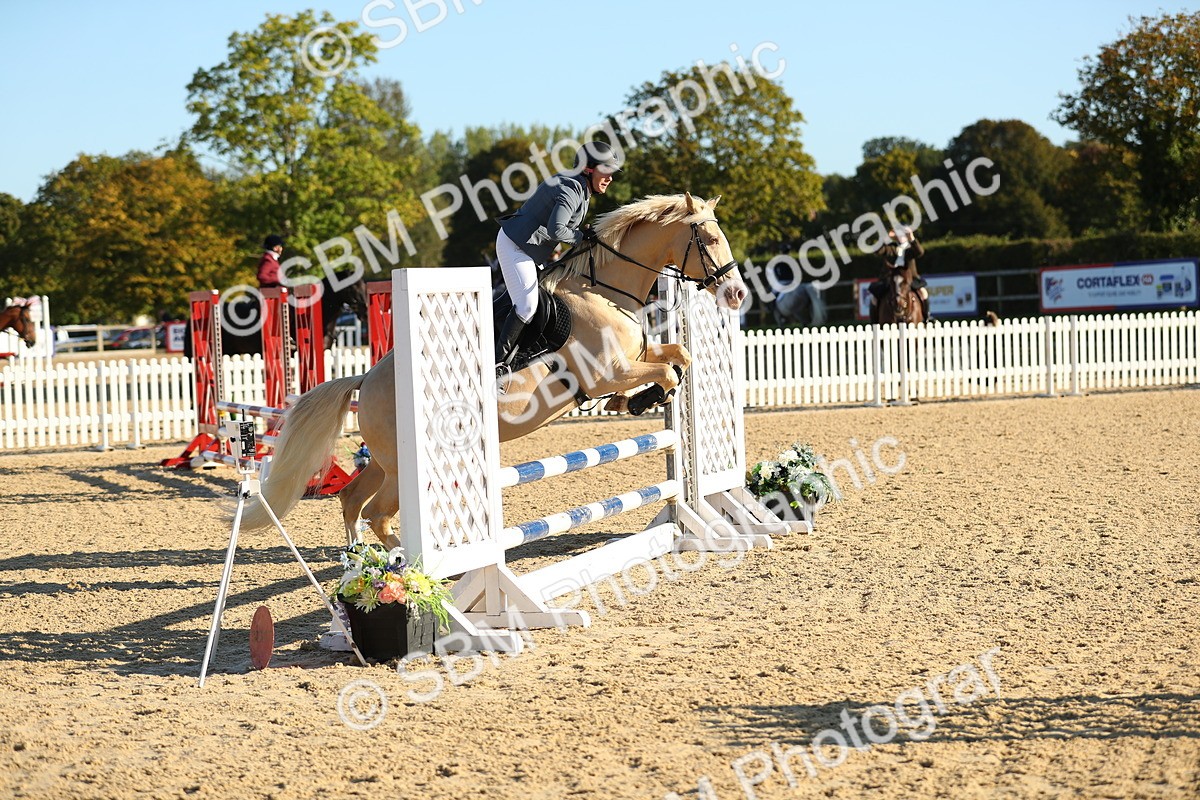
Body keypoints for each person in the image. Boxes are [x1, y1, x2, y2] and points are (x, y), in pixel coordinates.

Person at [493, 140, 621, 369]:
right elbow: (556, 230)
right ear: (588, 168)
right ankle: (499, 364)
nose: (610, 177)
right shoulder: (571, 188)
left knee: (525, 300)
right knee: (527, 305)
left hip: (530, 249)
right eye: (606, 170)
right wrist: (582, 238)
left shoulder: (581, 188)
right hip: (516, 245)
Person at [868, 226, 929, 323]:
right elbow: (877, 250)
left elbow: (920, 252)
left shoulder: (910, 248)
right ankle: (874, 323)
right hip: (890, 279)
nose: (901, 236)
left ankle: (927, 317)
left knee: (923, 293)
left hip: (908, 279)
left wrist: (912, 238)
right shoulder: (890, 248)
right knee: (874, 298)